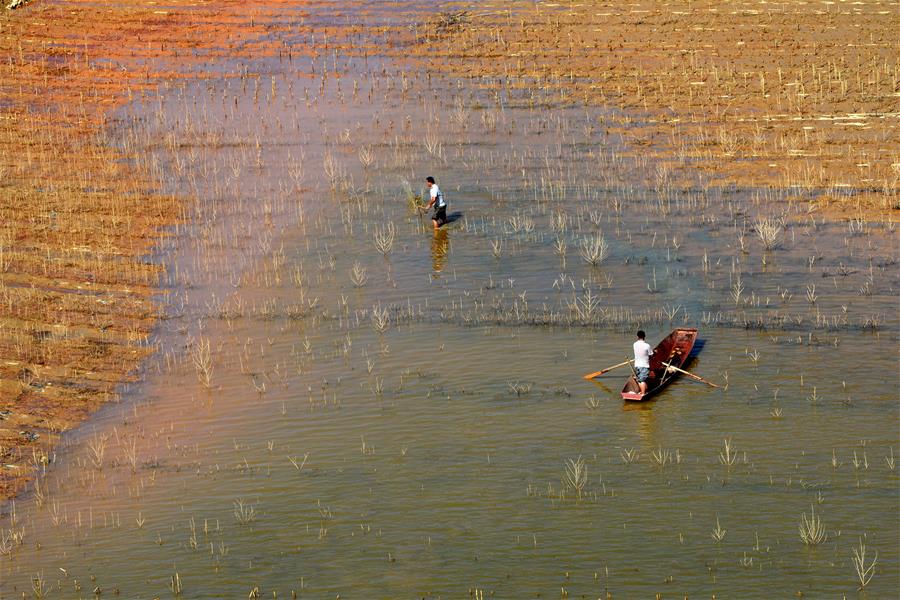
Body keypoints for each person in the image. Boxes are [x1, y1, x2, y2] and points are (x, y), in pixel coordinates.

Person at [633, 330, 654, 394]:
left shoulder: (634, 344)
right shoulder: (647, 345)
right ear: (644, 336)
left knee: (639, 380)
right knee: (642, 381)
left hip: (637, 365)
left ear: (637, 337)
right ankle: (643, 393)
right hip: (644, 365)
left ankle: (642, 391)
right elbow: (651, 355)